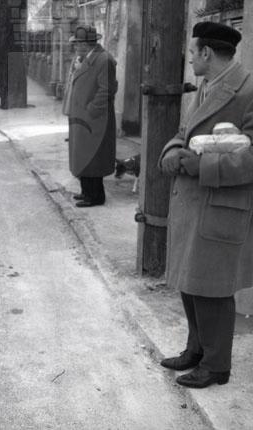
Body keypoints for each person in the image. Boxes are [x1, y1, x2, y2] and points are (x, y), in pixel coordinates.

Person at [158, 22, 253, 389]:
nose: (190, 60)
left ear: (207, 53)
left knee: (212, 288)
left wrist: (202, 166)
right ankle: (196, 350)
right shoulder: (207, 86)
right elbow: (185, 133)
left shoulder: (248, 90)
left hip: (221, 204)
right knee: (191, 282)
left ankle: (216, 366)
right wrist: (171, 152)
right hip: (194, 202)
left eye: (193, 53)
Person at [62, 25, 117, 208]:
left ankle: (95, 196)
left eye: (77, 43)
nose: (75, 46)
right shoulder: (85, 58)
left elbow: (106, 90)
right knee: (82, 155)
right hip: (81, 117)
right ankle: (86, 191)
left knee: (93, 157)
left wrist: (92, 110)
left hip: (95, 119)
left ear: (86, 44)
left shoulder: (104, 60)